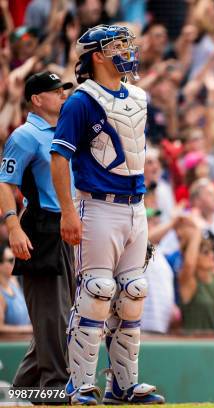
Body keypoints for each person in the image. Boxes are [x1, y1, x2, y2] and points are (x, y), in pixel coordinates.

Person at [49, 25, 164, 404]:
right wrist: (68, 211)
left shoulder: (139, 96)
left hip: (135, 206)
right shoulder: (81, 101)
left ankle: (124, 385)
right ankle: (79, 384)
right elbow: (59, 157)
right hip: (96, 204)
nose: (127, 51)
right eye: (117, 46)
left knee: (134, 292)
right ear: (97, 55)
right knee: (97, 292)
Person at [0, 71, 75, 390]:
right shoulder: (25, 135)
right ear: (37, 99)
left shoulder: (63, 131)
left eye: (64, 90)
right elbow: (5, 182)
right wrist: (13, 226)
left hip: (66, 230)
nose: (63, 95)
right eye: (56, 91)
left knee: (62, 321)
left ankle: (20, 394)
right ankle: (56, 390)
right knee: (53, 321)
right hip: (40, 228)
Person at [0, 243, 31, 334]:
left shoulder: (14, 283)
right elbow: (0, 328)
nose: (14, 263)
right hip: (11, 346)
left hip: (25, 342)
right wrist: (27, 329)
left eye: (15, 259)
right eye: (10, 260)